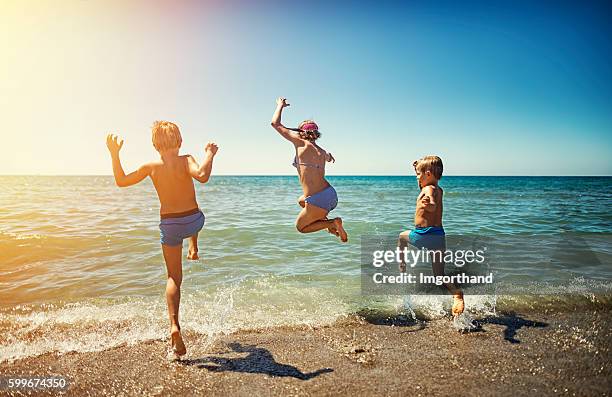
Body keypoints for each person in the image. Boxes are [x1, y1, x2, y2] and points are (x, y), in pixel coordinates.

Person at [105, 121, 218, 358]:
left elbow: (121, 181)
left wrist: (115, 154)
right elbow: (203, 176)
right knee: (197, 216)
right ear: (180, 141)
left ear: (155, 144)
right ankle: (194, 247)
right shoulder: (186, 159)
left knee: (173, 277)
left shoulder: (150, 166)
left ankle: (174, 326)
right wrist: (209, 153)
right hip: (192, 220)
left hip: (169, 225)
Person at [270, 97, 348, 242]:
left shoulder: (301, 142)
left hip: (319, 199)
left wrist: (280, 105)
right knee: (301, 201)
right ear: (316, 134)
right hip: (331, 195)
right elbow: (329, 157)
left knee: (301, 227)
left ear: (300, 132)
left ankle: (332, 223)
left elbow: (275, 123)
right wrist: (330, 157)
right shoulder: (321, 150)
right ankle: (328, 224)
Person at [398, 156, 464, 316]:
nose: (417, 178)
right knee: (439, 276)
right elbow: (431, 194)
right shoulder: (438, 189)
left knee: (401, 237)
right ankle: (456, 293)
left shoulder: (429, 191)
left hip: (424, 234)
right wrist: (418, 167)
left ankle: (402, 265)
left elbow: (433, 205)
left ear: (428, 174)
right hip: (439, 235)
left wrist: (430, 205)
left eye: (418, 174)